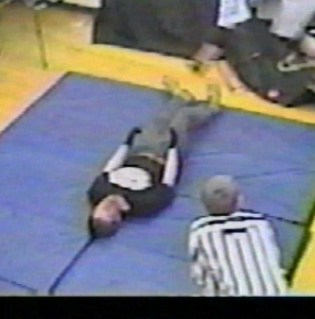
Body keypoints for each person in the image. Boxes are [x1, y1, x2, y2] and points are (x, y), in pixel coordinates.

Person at [87, 79, 222, 239]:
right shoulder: (144, 204)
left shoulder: (97, 192)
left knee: (158, 122)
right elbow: (168, 180)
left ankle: (181, 98)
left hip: (138, 152)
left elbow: (109, 168)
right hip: (162, 158)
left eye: (101, 208)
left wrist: (126, 145)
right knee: (182, 120)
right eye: (109, 212)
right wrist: (173, 148)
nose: (107, 205)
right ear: (118, 218)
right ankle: (211, 109)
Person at [188, 175, 288, 296]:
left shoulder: (201, 230)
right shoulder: (260, 223)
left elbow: (201, 276)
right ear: (240, 200)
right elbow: (274, 257)